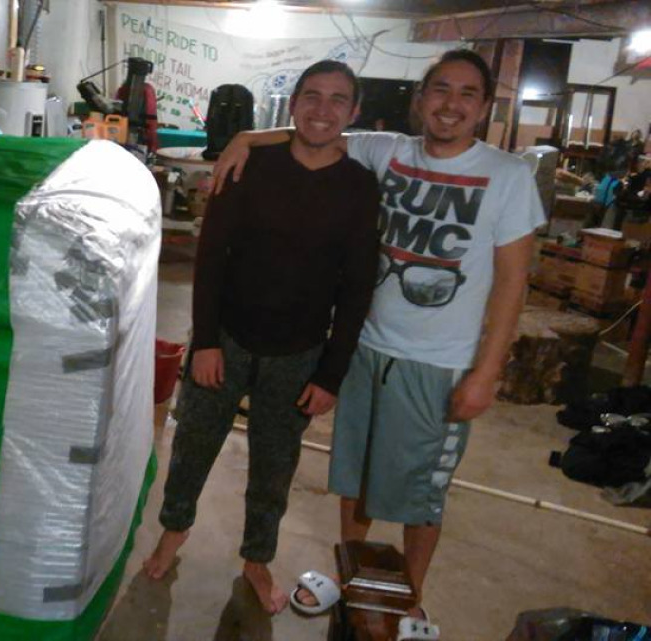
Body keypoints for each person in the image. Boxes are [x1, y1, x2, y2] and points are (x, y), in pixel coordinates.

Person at [211, 49, 545, 628]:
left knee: (422, 494)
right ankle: (355, 582)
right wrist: (245, 135)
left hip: (439, 363)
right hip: (368, 350)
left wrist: (486, 373)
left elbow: (513, 287)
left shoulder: (509, 177)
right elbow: (314, 129)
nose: (452, 104)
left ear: (486, 107)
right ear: (420, 98)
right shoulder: (385, 150)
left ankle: (410, 599)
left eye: (468, 94)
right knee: (356, 478)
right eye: (441, 89)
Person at [141, 60, 381, 614]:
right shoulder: (249, 163)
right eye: (312, 96)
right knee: (193, 445)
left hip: (298, 354)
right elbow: (212, 257)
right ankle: (174, 531)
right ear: (292, 104)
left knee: (275, 466)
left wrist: (331, 373)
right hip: (226, 338)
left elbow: (357, 287)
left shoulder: (359, 186)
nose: (323, 110)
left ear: (354, 113)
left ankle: (257, 558)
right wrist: (204, 341)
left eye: (337, 100)